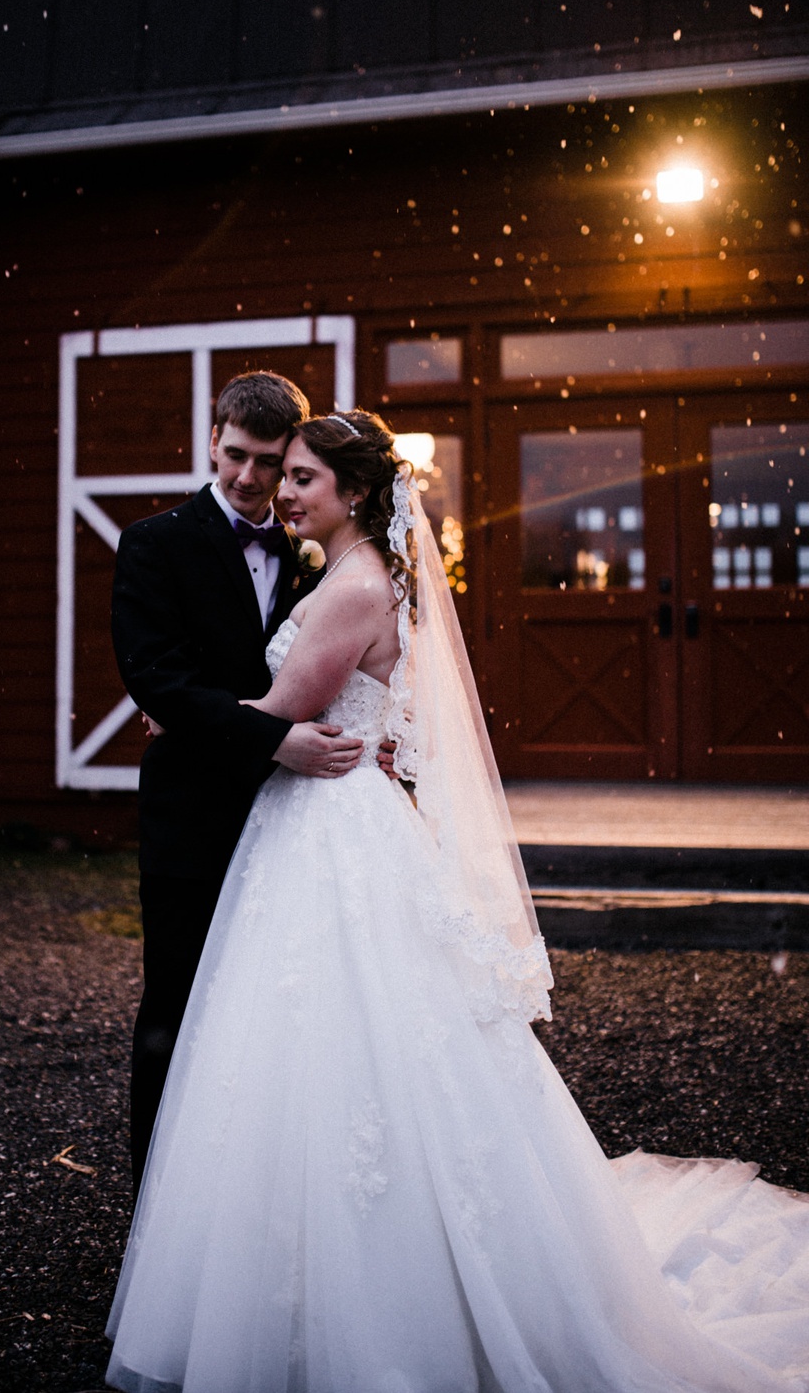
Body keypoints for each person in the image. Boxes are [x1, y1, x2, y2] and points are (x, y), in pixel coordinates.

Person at [106, 411, 809, 1393]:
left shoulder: (348, 588)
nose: (285, 489)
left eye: (302, 475)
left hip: (327, 829)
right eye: (275, 470)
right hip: (330, 823)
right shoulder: (357, 578)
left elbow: (281, 714)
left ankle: (354, 1271)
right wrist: (228, 712)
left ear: (352, 493)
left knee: (330, 1034)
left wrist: (192, 716)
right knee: (344, 1036)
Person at [111, 372, 365, 1187]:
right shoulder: (155, 543)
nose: (250, 478)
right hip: (194, 814)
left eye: (268, 462)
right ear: (211, 437)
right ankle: (158, 1191)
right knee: (177, 1004)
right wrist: (272, 738)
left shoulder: (310, 554)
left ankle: (254, 1187)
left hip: (294, 823)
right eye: (235, 456)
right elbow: (159, 681)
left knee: (275, 1008)